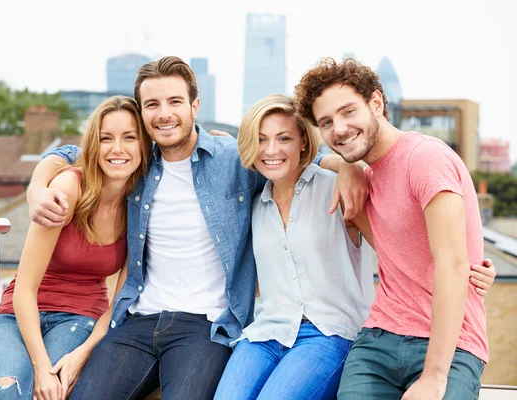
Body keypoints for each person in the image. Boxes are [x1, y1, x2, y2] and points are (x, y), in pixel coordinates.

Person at [26, 56, 370, 399]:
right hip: (138, 319)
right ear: (142, 113)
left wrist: (347, 165)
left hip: (206, 326)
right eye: (152, 104)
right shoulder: (134, 161)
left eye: (175, 101)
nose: (164, 113)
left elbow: (292, 156)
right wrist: (37, 187)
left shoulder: (234, 159)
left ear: (195, 106)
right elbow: (76, 152)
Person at [212, 95, 495, 400]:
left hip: (327, 333)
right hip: (267, 332)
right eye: (261, 139)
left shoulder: (338, 189)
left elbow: (401, 244)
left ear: (304, 142)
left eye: (284, 138)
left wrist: (471, 265)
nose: (271, 150)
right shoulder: (254, 204)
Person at [295, 57, 490, 399]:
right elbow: (299, 157)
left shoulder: (425, 159)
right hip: (378, 341)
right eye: (326, 122)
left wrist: (433, 376)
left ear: (376, 103)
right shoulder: (363, 175)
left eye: (348, 112)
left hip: (450, 345)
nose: (338, 129)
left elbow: (454, 264)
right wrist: (344, 165)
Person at [0, 95, 152, 400]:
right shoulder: (68, 188)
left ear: (144, 146)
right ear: (93, 146)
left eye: (129, 137)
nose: (117, 149)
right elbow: (25, 289)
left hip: (80, 318)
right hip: (16, 316)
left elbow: (119, 302)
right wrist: (41, 366)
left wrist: (84, 353)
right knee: (8, 391)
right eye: (106, 138)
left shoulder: (140, 207)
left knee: (52, 394)